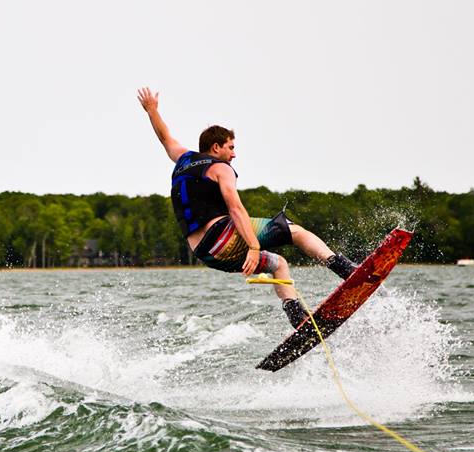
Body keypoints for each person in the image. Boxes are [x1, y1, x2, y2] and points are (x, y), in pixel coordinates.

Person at [136, 87, 358, 328]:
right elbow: (235, 208)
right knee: (295, 231)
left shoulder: (183, 159)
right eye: (230, 147)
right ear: (216, 148)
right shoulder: (220, 168)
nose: (234, 154)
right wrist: (253, 246)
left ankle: (298, 318)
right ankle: (347, 271)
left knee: (278, 264)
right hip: (223, 237)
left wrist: (152, 110)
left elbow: (164, 136)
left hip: (207, 254)